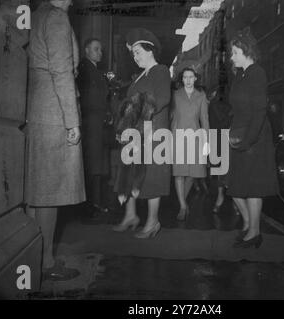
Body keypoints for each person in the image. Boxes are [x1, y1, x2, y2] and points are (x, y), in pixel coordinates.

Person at [26, 0, 85, 280]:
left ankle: (33, 255)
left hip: (35, 106)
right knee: (50, 189)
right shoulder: (57, 18)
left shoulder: (34, 16)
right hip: (55, 110)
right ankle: (46, 262)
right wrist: (72, 121)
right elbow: (62, 71)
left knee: (35, 190)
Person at [112, 28, 171, 238]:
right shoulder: (139, 78)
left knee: (152, 178)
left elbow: (163, 98)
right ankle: (130, 216)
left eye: (138, 52)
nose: (135, 57)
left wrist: (137, 114)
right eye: (133, 53)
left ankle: (153, 222)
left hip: (153, 133)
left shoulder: (161, 70)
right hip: (136, 133)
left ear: (150, 50)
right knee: (130, 173)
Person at [227, 29, 278, 249]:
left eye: (235, 52)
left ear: (246, 51)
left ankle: (254, 233)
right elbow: (237, 109)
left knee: (253, 186)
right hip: (241, 134)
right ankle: (250, 227)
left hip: (255, 138)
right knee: (239, 184)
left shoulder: (257, 73)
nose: (232, 56)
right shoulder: (241, 75)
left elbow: (259, 111)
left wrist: (248, 140)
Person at [77, 38, 110, 219]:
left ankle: (95, 202)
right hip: (90, 123)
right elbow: (86, 99)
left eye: (101, 50)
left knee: (98, 164)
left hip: (98, 123)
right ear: (86, 50)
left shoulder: (95, 70)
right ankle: (88, 206)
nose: (100, 53)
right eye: (96, 49)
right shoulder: (84, 69)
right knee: (91, 164)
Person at [171, 67, 210, 220]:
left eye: (191, 77)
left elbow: (205, 120)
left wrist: (206, 141)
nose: (188, 80)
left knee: (193, 173)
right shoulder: (175, 95)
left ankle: (183, 201)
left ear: (195, 79)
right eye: (185, 77)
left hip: (195, 138)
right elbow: (171, 117)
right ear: (182, 79)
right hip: (178, 137)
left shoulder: (201, 96)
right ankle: (182, 206)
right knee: (179, 173)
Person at [207, 86, 232, 213]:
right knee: (222, 169)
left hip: (226, 137)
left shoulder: (216, 102)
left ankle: (225, 197)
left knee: (225, 169)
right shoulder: (214, 103)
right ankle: (225, 198)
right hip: (220, 137)